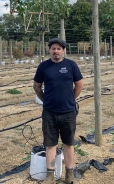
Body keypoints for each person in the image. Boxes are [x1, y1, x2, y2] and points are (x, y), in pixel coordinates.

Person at [33, 37, 83, 184]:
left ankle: (69, 174)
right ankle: (50, 175)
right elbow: (37, 87)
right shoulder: (43, 67)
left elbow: (79, 85)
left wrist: (70, 99)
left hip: (68, 112)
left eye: (59, 49)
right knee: (50, 144)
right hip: (49, 112)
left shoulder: (71, 65)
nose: (56, 51)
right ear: (49, 50)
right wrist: (45, 99)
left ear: (63, 51)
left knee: (68, 143)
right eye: (53, 48)